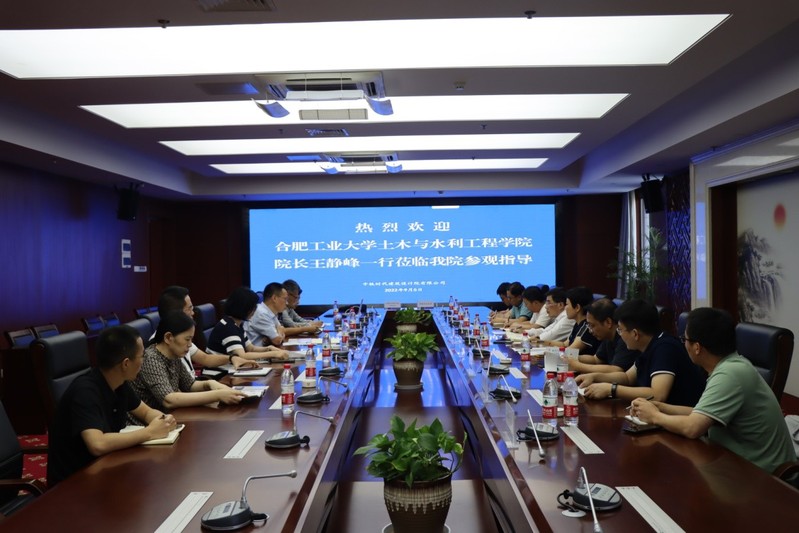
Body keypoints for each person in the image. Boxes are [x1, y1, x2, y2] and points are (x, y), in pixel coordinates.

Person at [631, 308, 796, 474]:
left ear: (697, 347)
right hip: (735, 464)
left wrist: (655, 416)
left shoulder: (730, 374)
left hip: (762, 476)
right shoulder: (730, 365)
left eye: (684, 339)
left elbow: (692, 428)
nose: (684, 344)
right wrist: (661, 407)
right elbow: (702, 414)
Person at [48, 325, 177, 487]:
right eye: (142, 356)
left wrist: (163, 420)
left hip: (103, 467)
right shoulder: (85, 392)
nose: (144, 361)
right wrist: (150, 432)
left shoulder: (119, 383)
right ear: (126, 364)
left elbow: (145, 412)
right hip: (73, 483)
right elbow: (98, 444)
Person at [577, 299, 705, 405]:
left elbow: (658, 395)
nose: (619, 334)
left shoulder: (665, 348)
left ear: (635, 334)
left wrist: (612, 389)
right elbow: (627, 378)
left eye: (620, 330)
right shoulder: (648, 346)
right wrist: (594, 377)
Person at [131, 311, 247, 412]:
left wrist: (210, 384)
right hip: (146, 424)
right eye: (187, 339)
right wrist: (217, 395)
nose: (190, 344)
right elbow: (169, 400)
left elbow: (190, 385)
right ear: (168, 337)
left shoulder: (173, 355)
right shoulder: (151, 358)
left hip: (170, 416)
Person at [156, 285, 258, 371]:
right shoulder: (158, 348)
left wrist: (232, 358)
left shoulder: (181, 335)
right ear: (176, 313)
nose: (193, 313)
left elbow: (205, 359)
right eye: (190, 309)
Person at [208, 286, 290, 361]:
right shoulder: (228, 327)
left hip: (231, 367)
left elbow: (251, 348)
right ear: (243, 308)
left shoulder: (238, 324)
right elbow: (242, 356)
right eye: (253, 307)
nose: (254, 311)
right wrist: (273, 354)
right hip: (219, 370)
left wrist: (269, 348)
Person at [568, 298, 638, 374]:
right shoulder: (608, 336)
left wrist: (578, 366)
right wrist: (570, 357)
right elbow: (596, 359)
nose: (590, 331)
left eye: (592, 325)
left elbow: (616, 369)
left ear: (608, 322)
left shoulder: (625, 338)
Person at [542, 286, 598, 352]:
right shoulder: (577, 324)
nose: (565, 308)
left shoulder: (586, 327)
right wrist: (540, 342)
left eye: (567, 304)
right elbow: (564, 344)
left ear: (577, 307)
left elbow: (569, 352)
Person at [245, 282, 289, 347]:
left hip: (265, 349)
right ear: (274, 298)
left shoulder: (270, 312)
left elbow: (281, 330)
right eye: (285, 299)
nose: (287, 303)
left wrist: (276, 334)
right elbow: (277, 340)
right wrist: (278, 331)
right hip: (255, 352)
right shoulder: (261, 313)